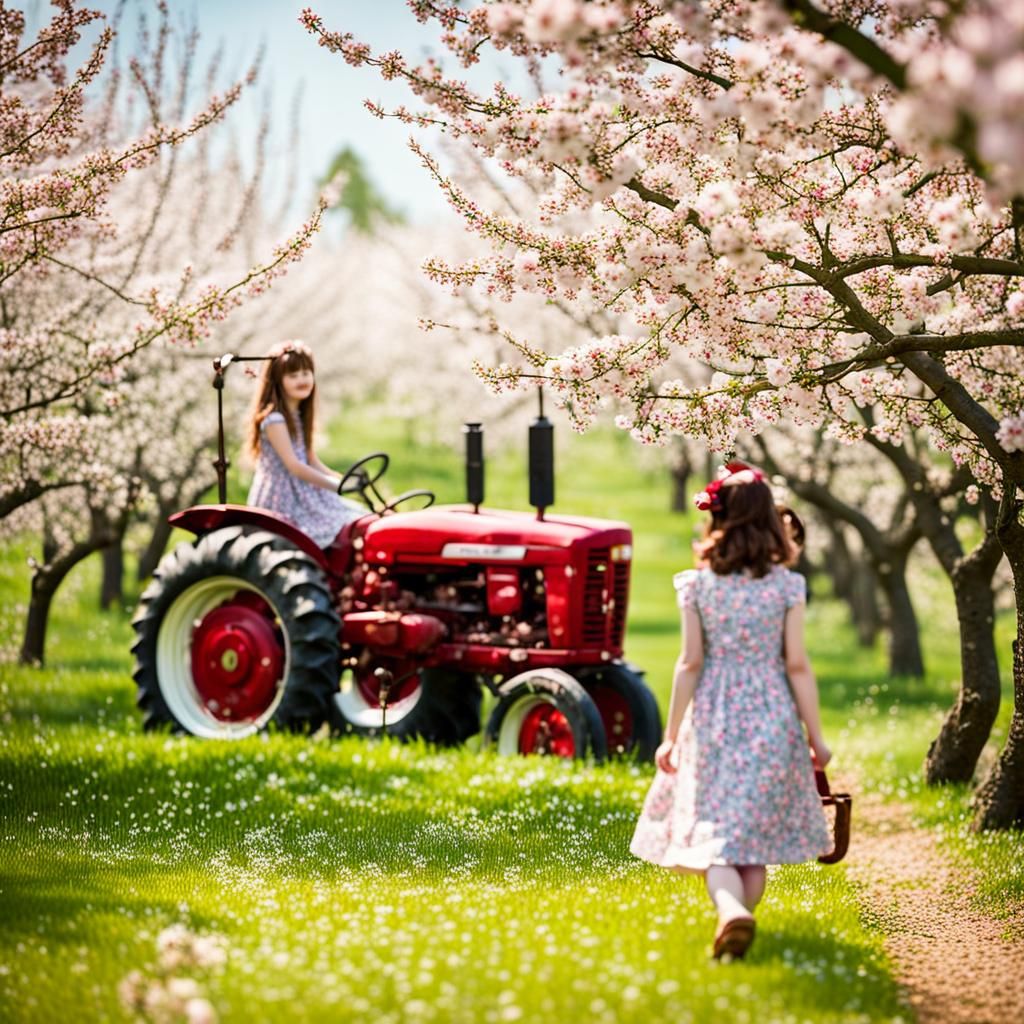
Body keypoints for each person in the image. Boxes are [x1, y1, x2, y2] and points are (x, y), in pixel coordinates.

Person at [630, 462, 832, 961]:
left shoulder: (697, 587)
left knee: (715, 836)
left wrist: (671, 735)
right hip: (771, 716)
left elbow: (690, 662)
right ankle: (740, 914)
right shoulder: (786, 587)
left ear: (717, 520)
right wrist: (816, 737)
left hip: (715, 719)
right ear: (770, 521)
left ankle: (730, 912)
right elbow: (798, 665)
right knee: (751, 842)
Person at [245, 341, 362, 548]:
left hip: (306, 492)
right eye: (293, 375)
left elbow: (310, 459)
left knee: (360, 515)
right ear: (278, 381)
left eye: (306, 373)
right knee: (339, 525)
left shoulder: (298, 416)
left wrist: (341, 479)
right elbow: (295, 466)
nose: (302, 379)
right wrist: (335, 486)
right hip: (285, 498)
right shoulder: (275, 420)